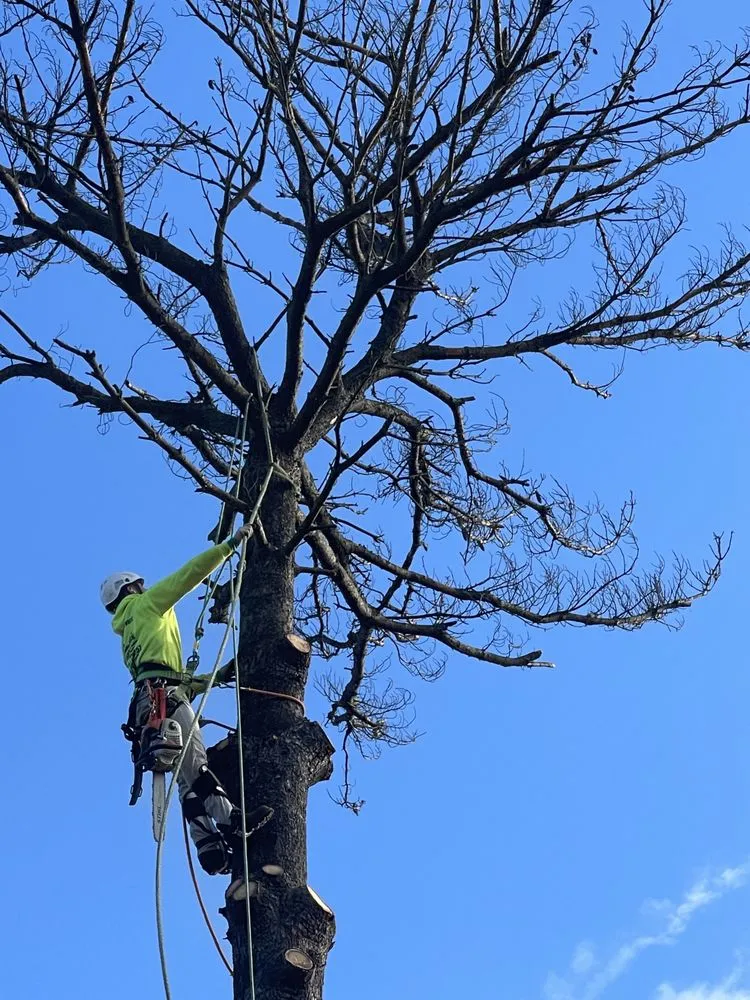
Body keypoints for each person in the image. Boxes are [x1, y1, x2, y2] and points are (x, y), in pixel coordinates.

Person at [100, 526, 273, 875]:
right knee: (195, 763)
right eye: (139, 586)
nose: (145, 589)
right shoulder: (148, 604)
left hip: (149, 700)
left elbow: (160, 671)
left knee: (183, 775)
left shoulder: (128, 633)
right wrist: (229, 546)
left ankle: (209, 846)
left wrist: (218, 677)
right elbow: (188, 575)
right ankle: (233, 821)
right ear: (131, 589)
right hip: (164, 697)